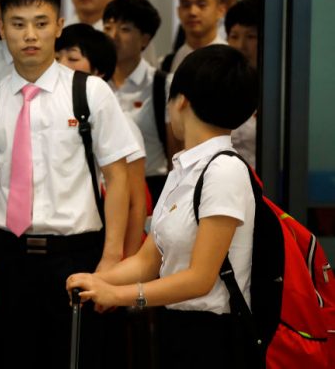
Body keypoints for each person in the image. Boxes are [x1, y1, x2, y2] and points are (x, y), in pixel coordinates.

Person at [0, 0, 139, 368]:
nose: (30, 35)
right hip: (8, 259)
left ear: (59, 25)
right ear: (2, 27)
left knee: (78, 358)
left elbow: (119, 177)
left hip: (77, 255)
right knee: (11, 358)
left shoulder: (90, 93)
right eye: (19, 23)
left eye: (41, 23)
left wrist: (112, 259)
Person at [67, 44, 259, 369]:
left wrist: (120, 295)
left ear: (180, 101)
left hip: (215, 338)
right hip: (176, 326)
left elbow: (200, 278)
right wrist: (99, 280)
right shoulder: (183, 169)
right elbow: (148, 259)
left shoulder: (225, 170)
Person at [55, 23, 147, 258]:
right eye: (57, 57)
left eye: (72, 58)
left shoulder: (123, 123)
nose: (61, 65)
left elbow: (137, 204)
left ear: (99, 72)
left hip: (104, 243)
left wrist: (124, 262)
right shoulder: (55, 113)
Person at [103, 0, 181, 200]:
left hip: (152, 188)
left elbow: (176, 151)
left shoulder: (162, 84)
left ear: (145, 39)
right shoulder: (95, 84)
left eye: (125, 29)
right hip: (104, 189)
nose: (113, 36)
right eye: (108, 27)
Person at [168, 0, 227, 74]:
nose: (192, 12)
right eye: (186, 5)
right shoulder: (168, 63)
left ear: (220, 10)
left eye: (201, 5)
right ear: (178, 11)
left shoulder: (230, 60)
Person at [226, 0, 260, 167]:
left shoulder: (279, 93)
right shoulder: (217, 89)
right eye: (234, 36)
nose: (240, 45)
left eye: (251, 36)